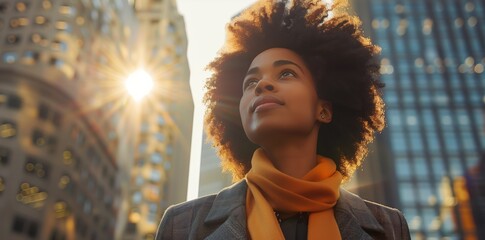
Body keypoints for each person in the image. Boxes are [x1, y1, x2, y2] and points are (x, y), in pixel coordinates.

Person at [156, 0, 410, 239]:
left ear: (324, 109)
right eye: (251, 82)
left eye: (286, 73)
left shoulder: (389, 227)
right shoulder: (182, 224)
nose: (262, 84)